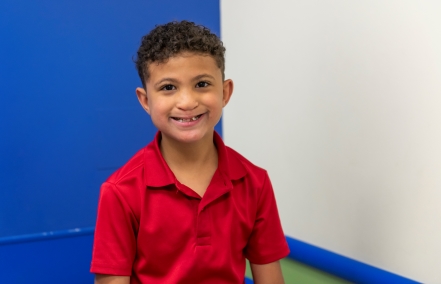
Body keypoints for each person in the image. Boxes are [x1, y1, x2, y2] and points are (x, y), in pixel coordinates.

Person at [90, 20, 289, 284]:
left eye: (202, 84)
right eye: (168, 87)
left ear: (225, 92)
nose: (187, 102)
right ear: (146, 100)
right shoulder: (120, 191)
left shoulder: (255, 182)